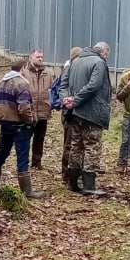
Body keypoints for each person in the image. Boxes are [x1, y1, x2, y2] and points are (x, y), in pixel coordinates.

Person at [0, 57, 44, 198]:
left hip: (4, 124)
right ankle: (27, 191)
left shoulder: (0, 83)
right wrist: (31, 120)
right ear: (23, 68)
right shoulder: (21, 83)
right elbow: (24, 107)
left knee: (1, 155)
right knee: (22, 157)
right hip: (20, 126)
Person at [63, 41, 112, 196]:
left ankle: (72, 182)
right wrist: (76, 99)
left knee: (76, 146)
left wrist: (70, 101)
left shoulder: (76, 62)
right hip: (92, 112)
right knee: (92, 147)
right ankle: (89, 185)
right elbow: (94, 85)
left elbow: (66, 84)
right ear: (104, 53)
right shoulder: (99, 62)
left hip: (75, 113)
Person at [24, 49, 53, 171]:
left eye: (41, 57)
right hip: (28, 111)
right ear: (31, 57)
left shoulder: (48, 73)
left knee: (40, 138)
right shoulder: (24, 72)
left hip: (43, 110)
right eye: (38, 57)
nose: (40, 59)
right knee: (26, 138)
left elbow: (52, 90)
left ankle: (37, 161)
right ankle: (23, 162)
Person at [58, 46, 82, 181]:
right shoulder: (69, 68)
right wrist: (67, 101)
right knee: (69, 144)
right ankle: (66, 174)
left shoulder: (79, 69)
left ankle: (76, 172)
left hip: (78, 110)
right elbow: (63, 87)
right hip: (69, 112)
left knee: (78, 144)